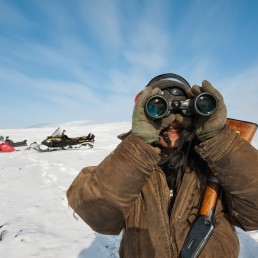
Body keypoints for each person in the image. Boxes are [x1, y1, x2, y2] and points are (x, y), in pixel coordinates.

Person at [67, 73, 258, 258]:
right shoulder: (127, 161)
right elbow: (99, 218)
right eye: (159, 109)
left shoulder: (216, 160)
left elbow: (254, 215)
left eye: (182, 112)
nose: (173, 121)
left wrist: (219, 142)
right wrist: (140, 145)